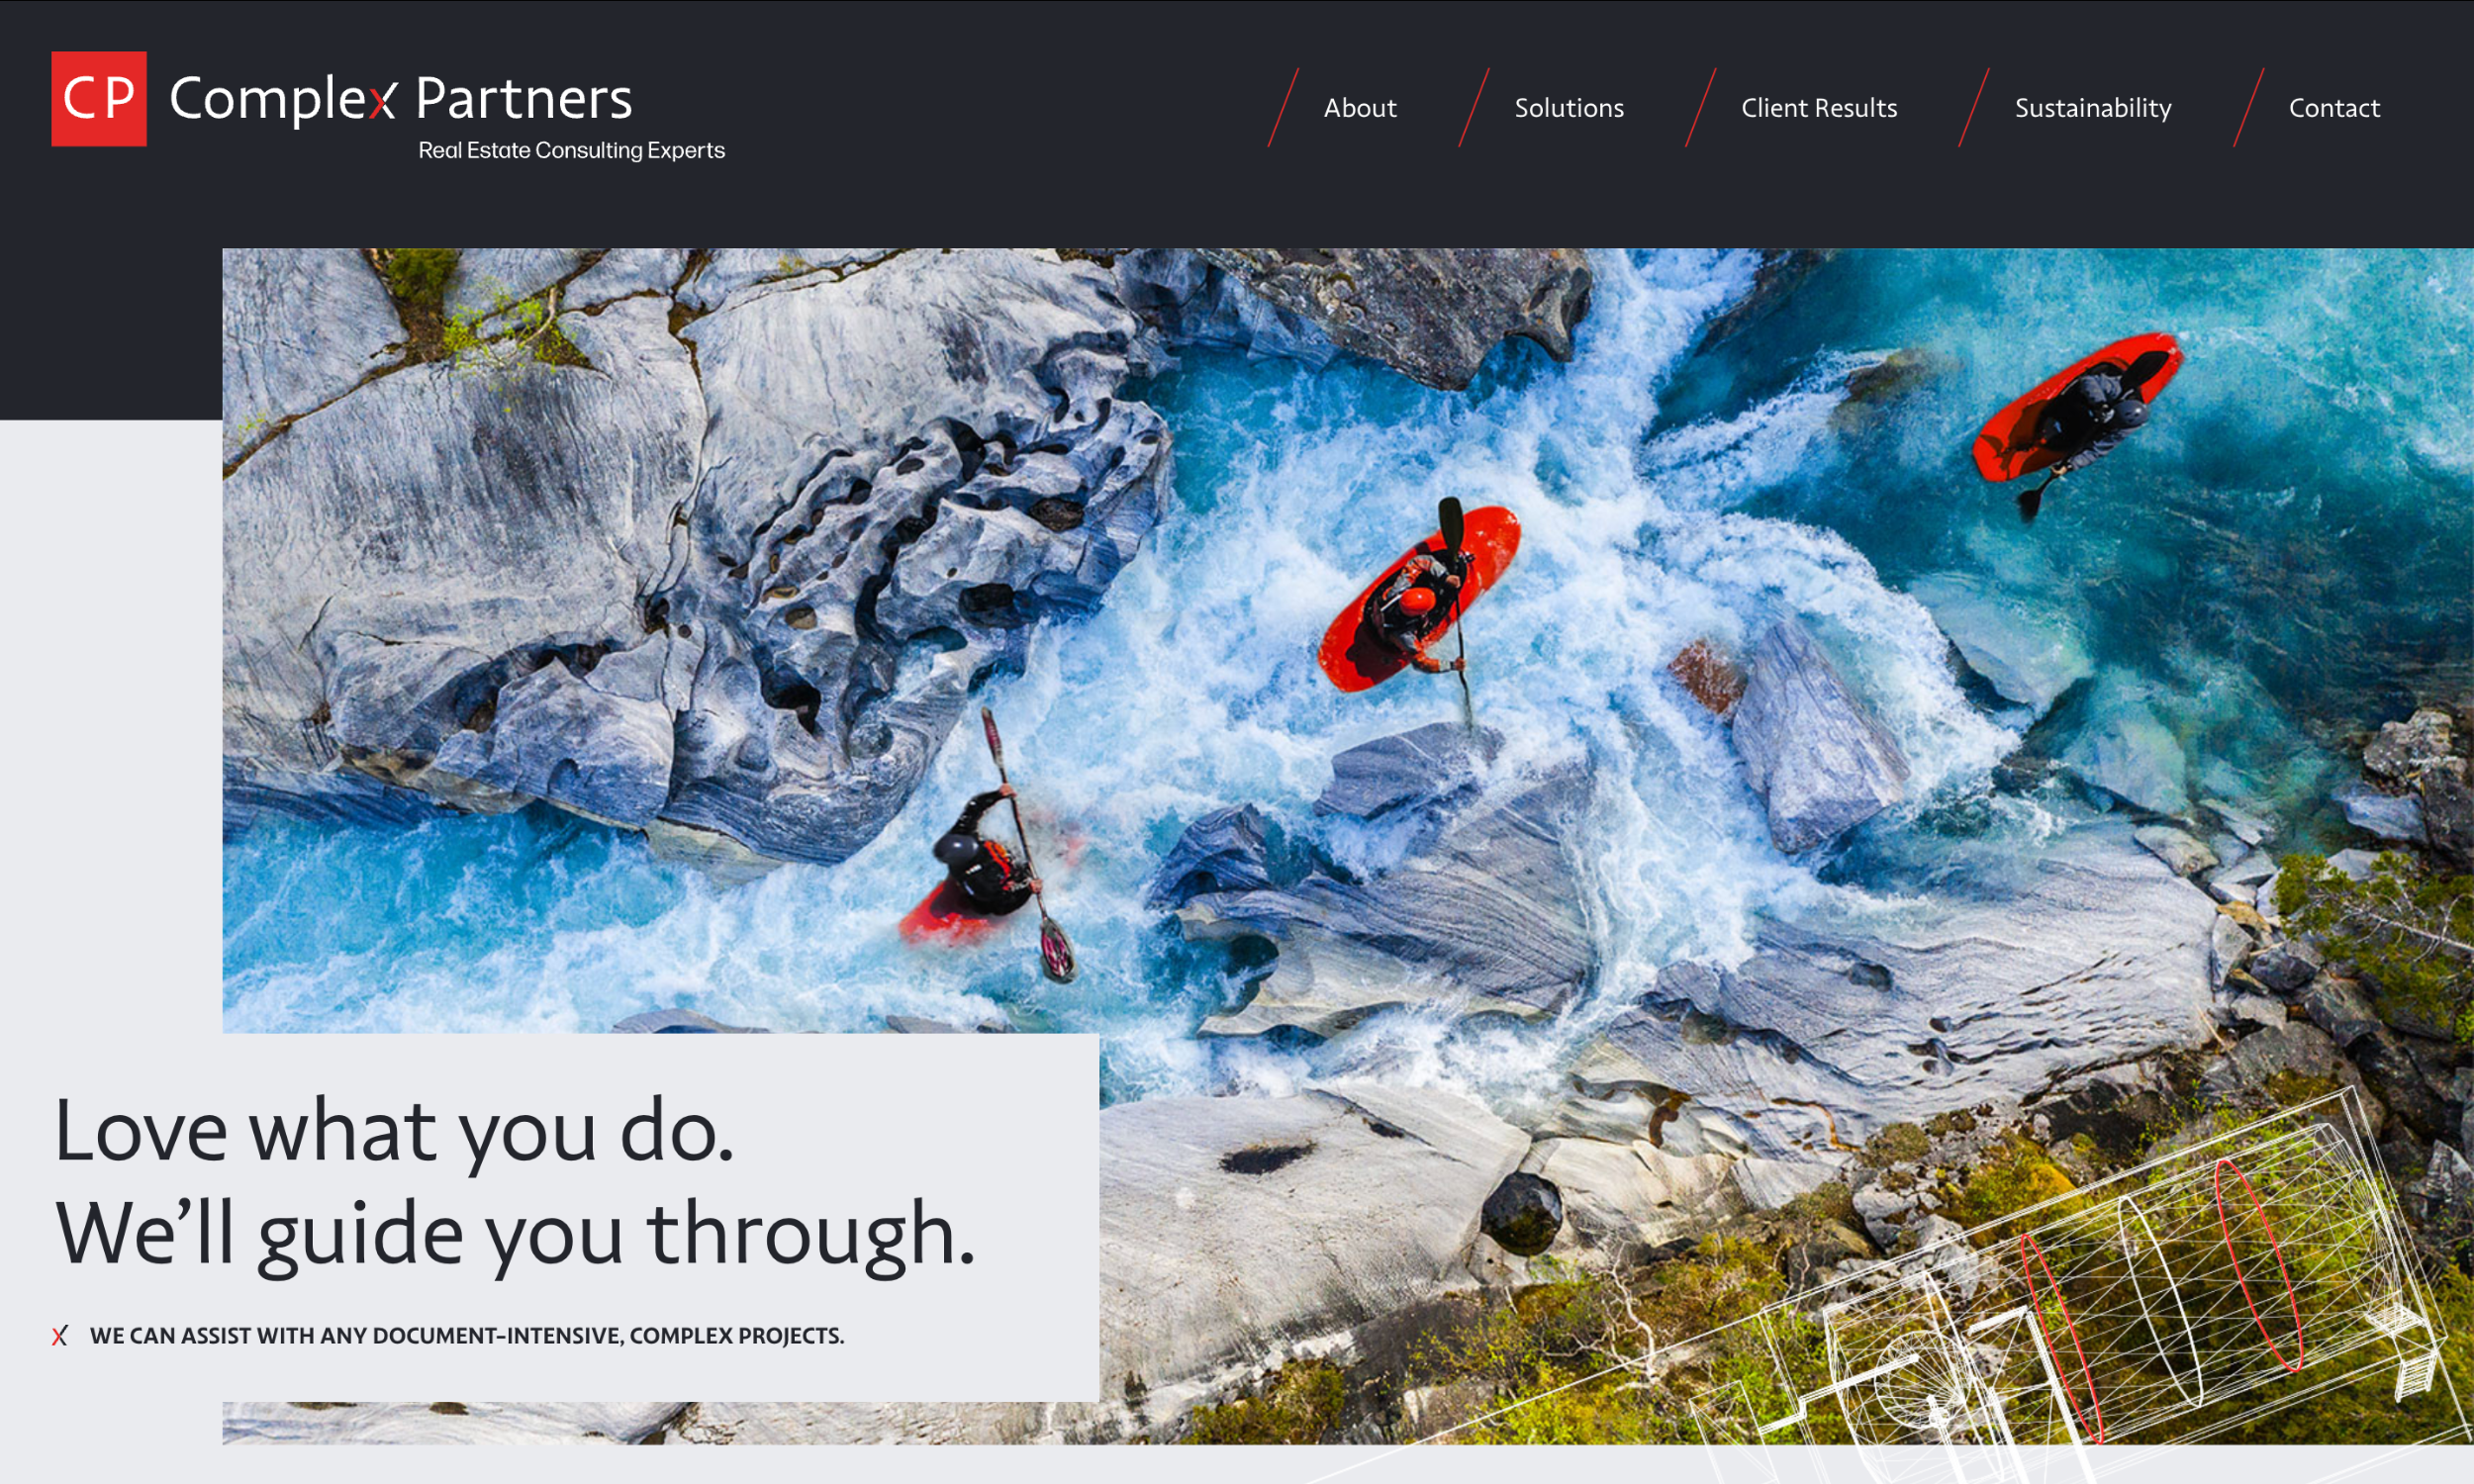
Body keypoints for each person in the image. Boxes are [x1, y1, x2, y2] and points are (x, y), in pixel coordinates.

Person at [2019, 366, 2151, 522]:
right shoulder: (2115, 388)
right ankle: (2041, 426)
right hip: (2086, 401)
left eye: (2115, 425)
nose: (2113, 426)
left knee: (2084, 439)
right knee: (2067, 405)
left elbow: (2096, 451)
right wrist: (2099, 404)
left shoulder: (2126, 428)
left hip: (2092, 420)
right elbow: (2087, 381)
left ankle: (2048, 438)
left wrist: (2069, 466)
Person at [932, 787, 1040, 915]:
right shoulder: (979, 884)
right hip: (993, 892)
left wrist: (997, 794)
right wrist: (1027, 890)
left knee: (1028, 831)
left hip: (995, 861)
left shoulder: (961, 833)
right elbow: (1001, 908)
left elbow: (974, 806)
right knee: (1026, 868)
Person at [1368, 551, 1468, 674]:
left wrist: (1444, 576)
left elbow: (1418, 561)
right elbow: (1422, 663)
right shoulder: (1406, 637)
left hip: (1380, 616)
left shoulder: (1396, 592)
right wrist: (1453, 665)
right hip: (1390, 633)